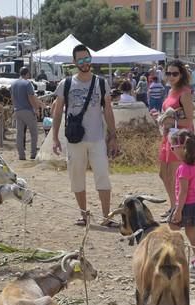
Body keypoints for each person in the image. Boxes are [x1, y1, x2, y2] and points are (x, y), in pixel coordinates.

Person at [51, 44, 119, 228]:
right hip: (75, 139)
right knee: (76, 177)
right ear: (74, 62)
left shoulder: (101, 83)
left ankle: (106, 216)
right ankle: (84, 215)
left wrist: (113, 136)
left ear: (91, 59)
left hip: (97, 138)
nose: (84, 63)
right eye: (80, 60)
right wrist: (55, 138)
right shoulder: (65, 84)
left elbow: (108, 111)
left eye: (87, 59)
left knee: (102, 176)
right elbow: (58, 113)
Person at [158, 60, 194, 221]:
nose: (171, 76)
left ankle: (176, 208)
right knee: (163, 174)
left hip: (180, 139)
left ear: (181, 74)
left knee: (173, 175)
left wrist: (173, 122)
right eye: (168, 73)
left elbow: (189, 121)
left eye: (175, 73)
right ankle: (173, 205)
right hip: (168, 137)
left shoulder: (185, 92)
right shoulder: (170, 91)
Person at [169, 134, 195, 274]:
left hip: (187, 205)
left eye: (173, 146)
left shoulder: (183, 168)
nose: (171, 149)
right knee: (192, 235)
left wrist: (178, 210)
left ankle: (174, 261)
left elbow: (183, 192)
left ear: (182, 147)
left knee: (172, 229)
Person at [11, 67, 44, 160]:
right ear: (27, 74)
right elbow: (31, 97)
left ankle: (21, 155)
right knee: (34, 133)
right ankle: (33, 154)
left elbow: (12, 98)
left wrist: (15, 108)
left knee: (19, 134)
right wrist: (36, 109)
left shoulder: (13, 84)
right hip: (27, 110)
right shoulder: (27, 83)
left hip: (17, 110)